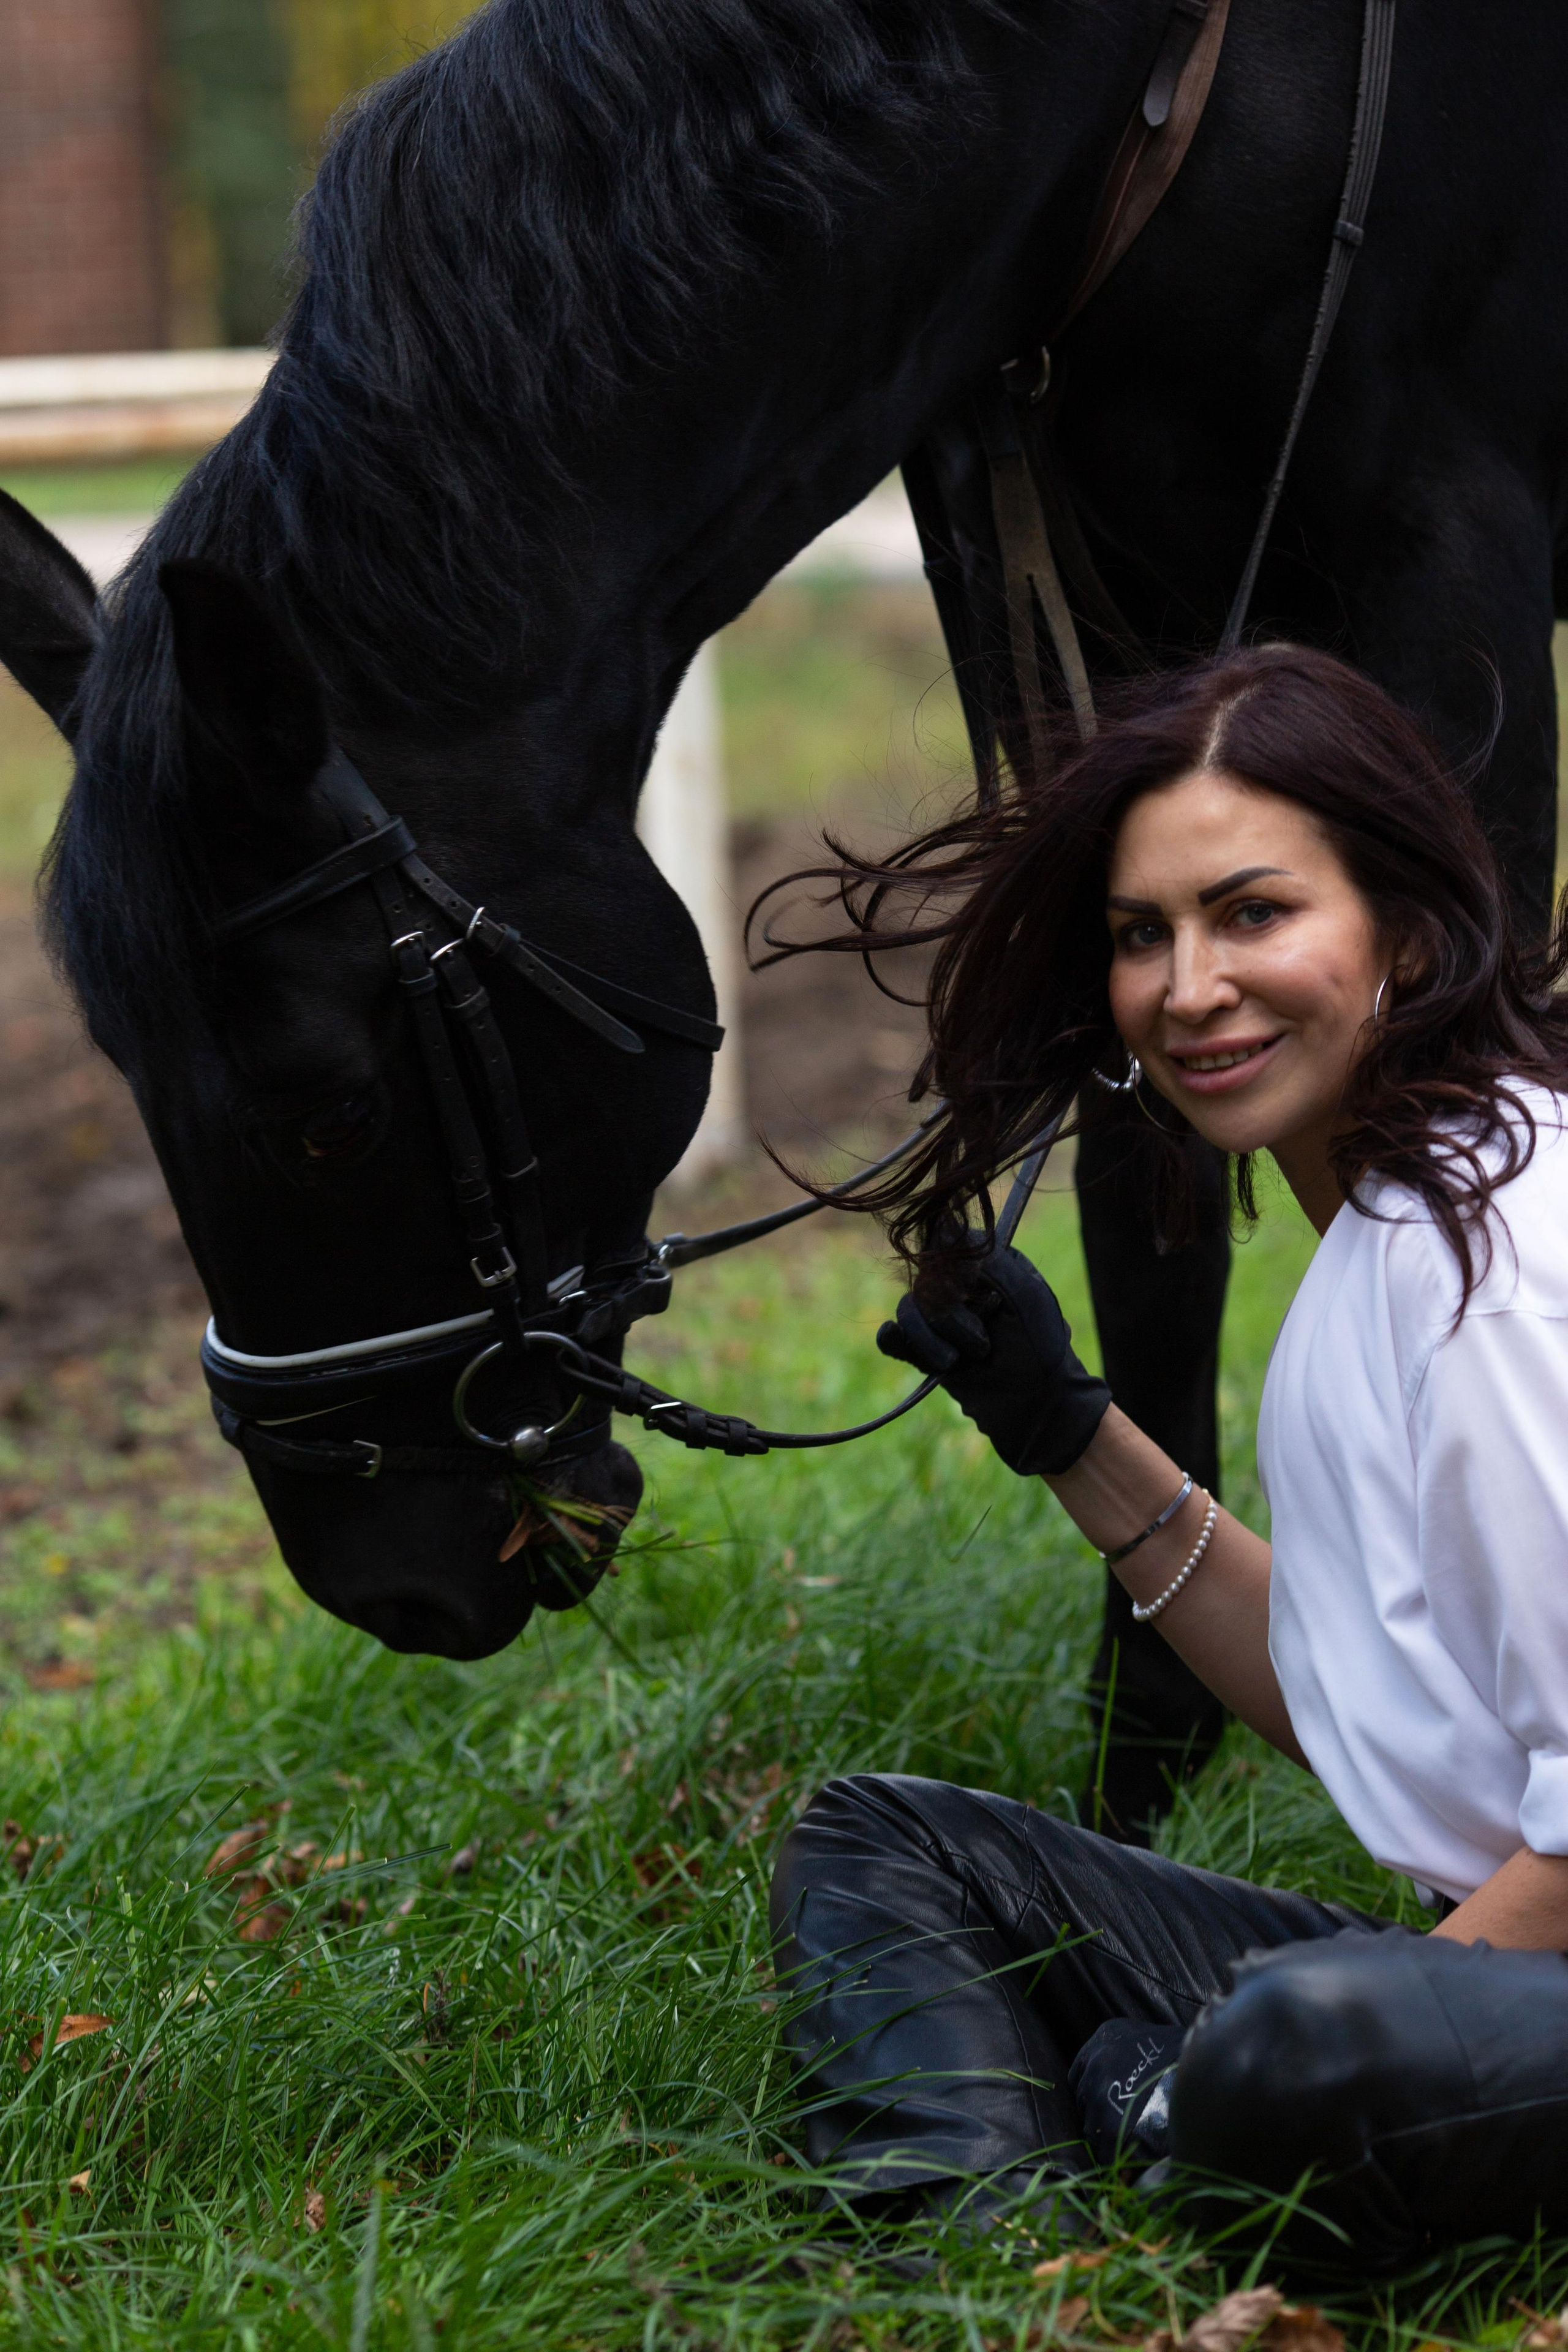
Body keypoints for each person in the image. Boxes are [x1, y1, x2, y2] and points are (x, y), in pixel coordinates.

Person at [766, 646, 1568, 2267]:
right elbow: (1373, 1690)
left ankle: (1154, 2122)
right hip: (1503, 1992)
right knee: (884, 1840)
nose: (1186, 985)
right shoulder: (1393, 1223)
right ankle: (1002, 2264)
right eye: (1145, 933)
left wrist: (1244, 2044)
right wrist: (1068, 1433)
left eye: (1253, 913)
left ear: (1406, 933)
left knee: (1296, 2043)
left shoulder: (1495, 1251)